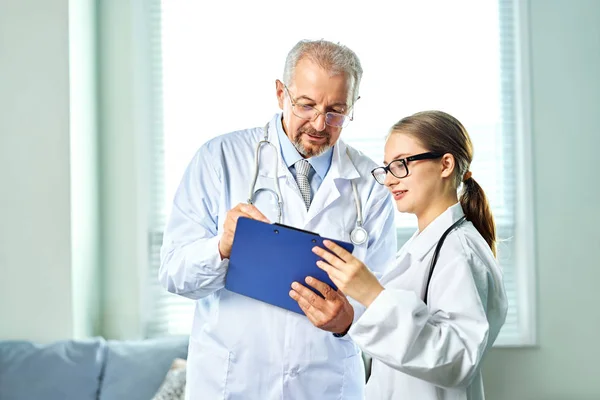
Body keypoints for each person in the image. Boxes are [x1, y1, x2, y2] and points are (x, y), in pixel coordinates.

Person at [158, 39, 397, 399]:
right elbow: (175, 275)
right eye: (306, 105)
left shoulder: (371, 185)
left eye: (336, 111)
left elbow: (380, 298)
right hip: (233, 384)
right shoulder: (219, 159)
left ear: (353, 106)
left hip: (325, 384)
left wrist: (347, 320)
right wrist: (221, 247)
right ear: (280, 93)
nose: (320, 123)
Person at [291, 110, 508, 399]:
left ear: (445, 164)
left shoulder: (460, 251)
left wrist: (372, 295)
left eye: (402, 164)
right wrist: (348, 321)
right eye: (387, 168)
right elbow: (404, 349)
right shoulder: (425, 245)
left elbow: (458, 361)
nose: (390, 180)